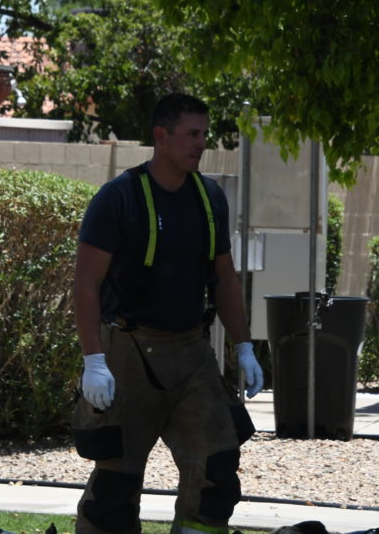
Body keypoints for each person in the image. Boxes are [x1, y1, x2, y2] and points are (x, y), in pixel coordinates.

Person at [71, 93, 264, 534]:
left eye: (204, 134)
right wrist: (93, 360)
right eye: (191, 134)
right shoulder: (118, 198)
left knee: (218, 466)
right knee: (115, 484)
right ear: (161, 135)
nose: (201, 143)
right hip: (129, 353)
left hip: (192, 352)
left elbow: (225, 279)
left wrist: (245, 347)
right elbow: (86, 283)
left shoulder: (210, 198)